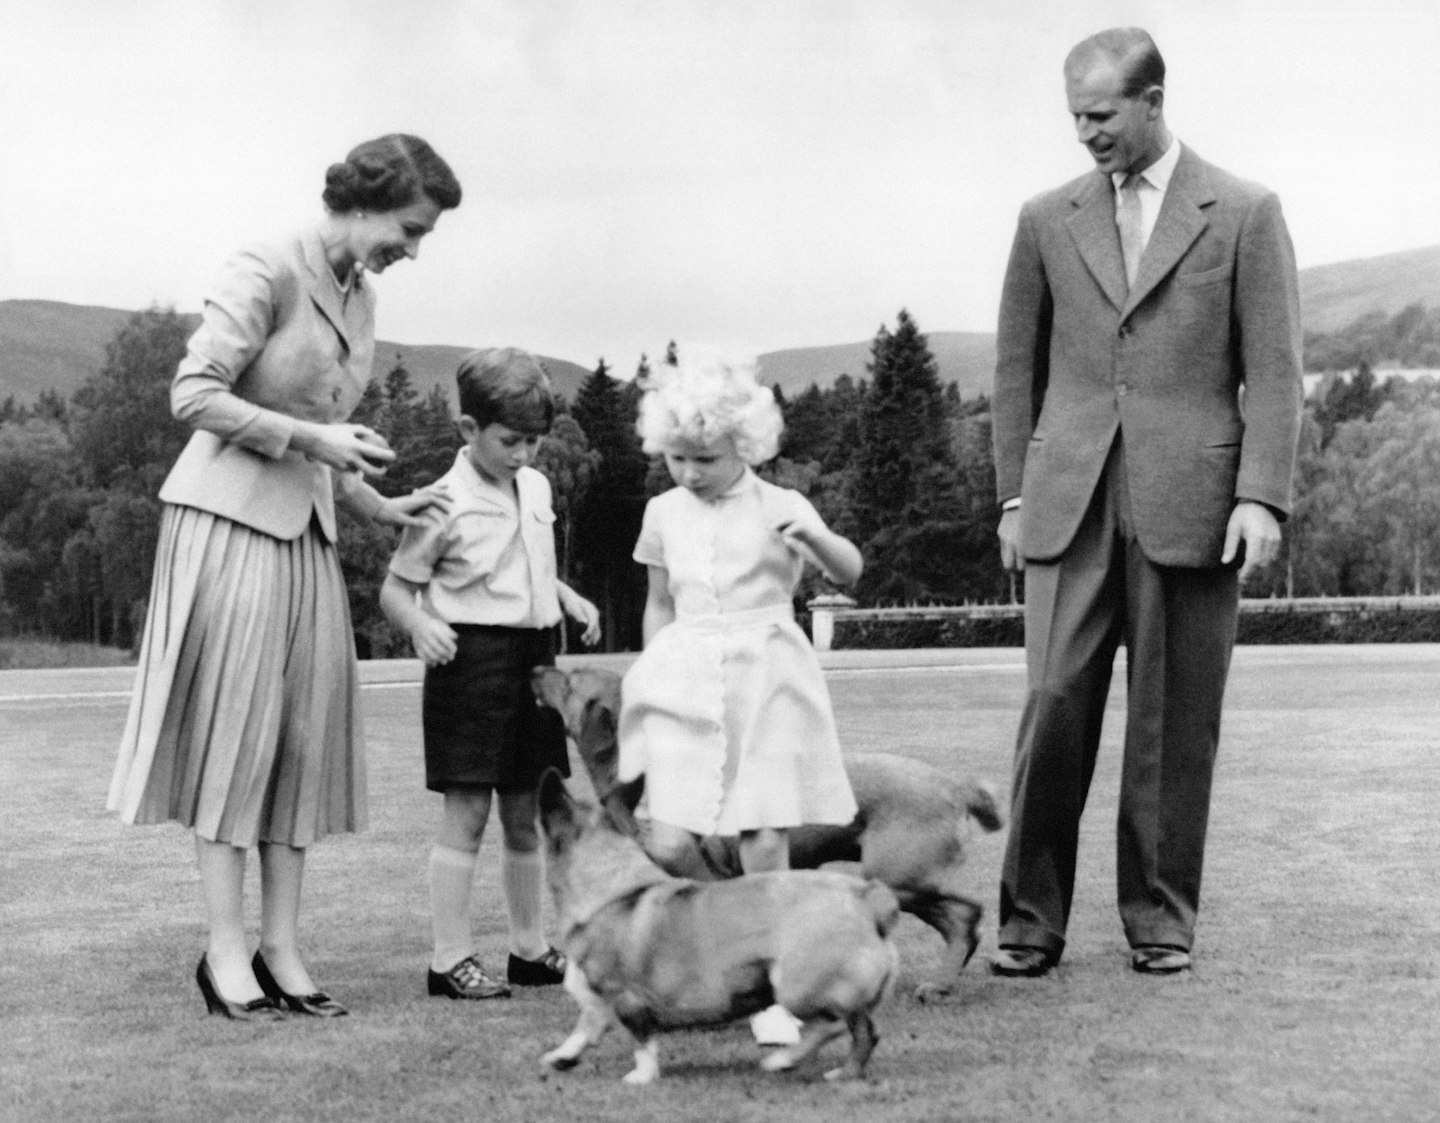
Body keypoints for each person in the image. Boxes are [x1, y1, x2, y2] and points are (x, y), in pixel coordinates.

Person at [108, 134, 461, 1020]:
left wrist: (384, 507)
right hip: (225, 524)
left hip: (307, 534)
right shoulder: (267, 263)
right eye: (409, 228)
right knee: (239, 737)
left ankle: (282, 948)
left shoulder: (362, 295)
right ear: (365, 199)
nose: (412, 250)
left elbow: (324, 433)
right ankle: (224, 950)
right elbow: (193, 393)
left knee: (302, 743)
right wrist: (311, 440)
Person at [988, 28, 1303, 978]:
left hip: (1196, 505)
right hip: (1065, 503)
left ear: (1153, 100)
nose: (1085, 134)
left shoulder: (1245, 211)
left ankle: (1161, 919)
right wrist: (1010, 494)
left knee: (1173, 722)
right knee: (1051, 704)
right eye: (1074, 117)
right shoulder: (1046, 218)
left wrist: (1262, 498)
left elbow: (1277, 373)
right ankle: (1028, 920)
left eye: (1101, 115)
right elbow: (1014, 367)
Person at [617, 347, 862, 1042]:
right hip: (689, 673)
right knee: (667, 837)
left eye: (707, 459)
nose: (690, 473)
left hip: (767, 676)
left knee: (762, 830)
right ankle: (730, 931)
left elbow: (851, 568)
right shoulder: (663, 511)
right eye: (678, 458)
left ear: (745, 446)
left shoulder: (783, 504)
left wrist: (817, 535)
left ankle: (776, 989)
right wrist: (652, 669)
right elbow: (659, 603)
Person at [380, 347, 601, 1000]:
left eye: (534, 441)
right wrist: (420, 625)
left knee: (527, 809)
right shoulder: (440, 503)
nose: (524, 454)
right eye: (511, 441)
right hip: (468, 664)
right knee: (469, 812)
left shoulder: (534, 485)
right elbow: (395, 589)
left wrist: (565, 595)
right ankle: (449, 959)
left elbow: (521, 562)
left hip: (536, 658)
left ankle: (530, 949)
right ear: (468, 429)